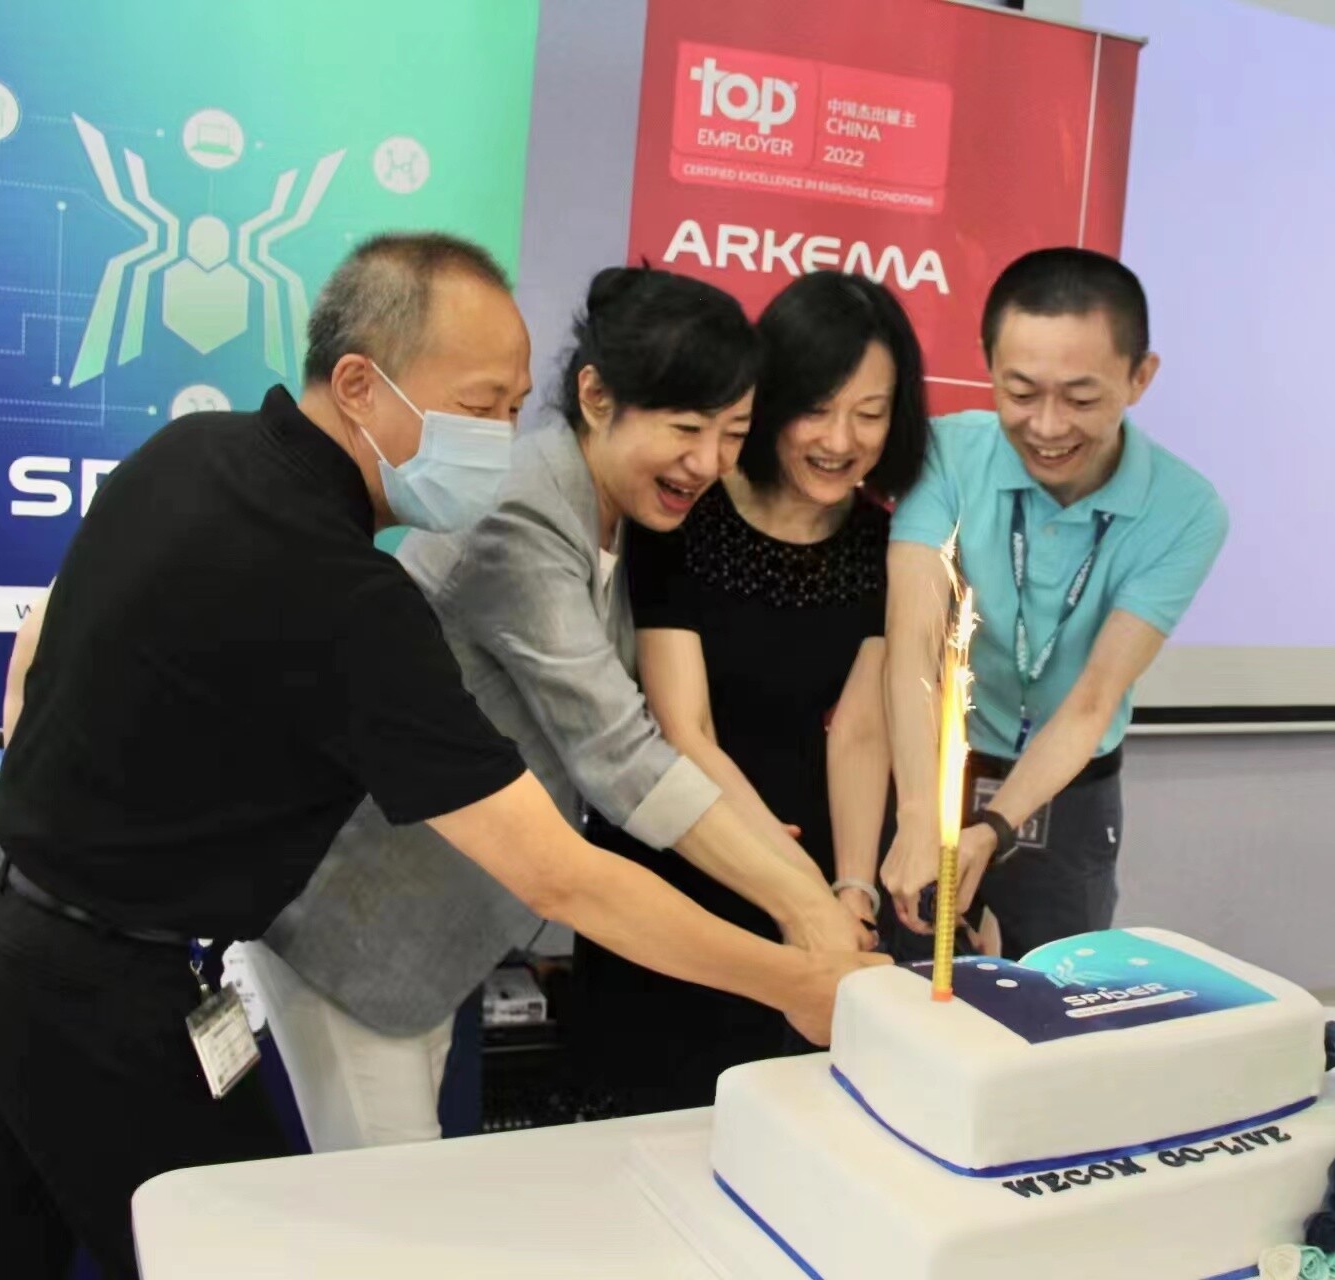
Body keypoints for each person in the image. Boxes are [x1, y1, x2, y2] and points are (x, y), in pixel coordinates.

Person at [0, 234, 880, 1280]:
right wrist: (794, 977)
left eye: (513, 407)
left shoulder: (194, 450)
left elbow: (36, 653)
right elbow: (562, 872)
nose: (501, 438)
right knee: (246, 1255)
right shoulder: (349, 596)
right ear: (359, 386)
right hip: (89, 983)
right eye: (478, 408)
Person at [244, 266, 870, 1153]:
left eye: (732, 434)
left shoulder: (619, 514)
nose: (709, 463)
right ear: (596, 397)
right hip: (360, 932)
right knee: (385, 1206)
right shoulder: (521, 513)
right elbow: (624, 757)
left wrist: (802, 884)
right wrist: (807, 919)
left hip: (438, 932)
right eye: (686, 429)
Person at [567, 270, 931, 1114]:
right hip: (684, 845)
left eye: (870, 414)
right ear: (769, 402)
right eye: (817, 409)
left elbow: (862, 730)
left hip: (813, 868)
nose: (841, 440)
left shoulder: (883, 542)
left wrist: (851, 887)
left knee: (792, 1120)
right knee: (647, 1121)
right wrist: (791, 877)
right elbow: (683, 728)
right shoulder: (683, 513)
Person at [879, 247, 1229, 960]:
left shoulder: (1187, 510)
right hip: (936, 762)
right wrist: (918, 810)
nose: (1045, 426)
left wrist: (995, 827)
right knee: (906, 978)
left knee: (1057, 986)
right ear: (988, 364)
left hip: (1070, 782)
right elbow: (912, 641)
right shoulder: (945, 454)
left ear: (1140, 377)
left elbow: (1094, 698)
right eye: (1020, 393)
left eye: (1080, 399)